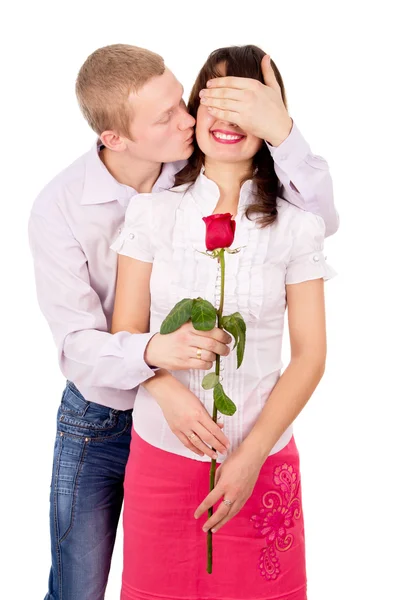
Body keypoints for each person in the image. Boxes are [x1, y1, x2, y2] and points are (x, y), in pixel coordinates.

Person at [28, 44, 338, 600]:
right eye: (208, 101)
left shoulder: (284, 215)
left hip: (247, 443)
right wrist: (159, 375)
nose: (193, 120)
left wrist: (283, 130)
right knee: (79, 585)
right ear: (117, 138)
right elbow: (89, 343)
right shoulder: (86, 208)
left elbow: (317, 225)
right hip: (108, 414)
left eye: (184, 104)